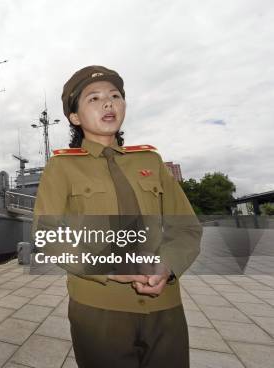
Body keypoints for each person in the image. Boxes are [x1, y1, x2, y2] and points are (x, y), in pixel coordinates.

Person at [32, 65, 202, 368]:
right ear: (74, 117)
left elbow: (186, 227)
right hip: (98, 307)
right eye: (93, 98)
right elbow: (47, 235)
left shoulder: (150, 160)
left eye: (115, 96)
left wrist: (169, 265)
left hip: (165, 306)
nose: (108, 103)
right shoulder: (61, 167)